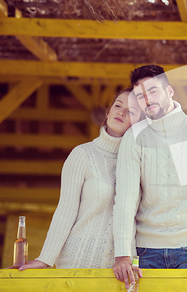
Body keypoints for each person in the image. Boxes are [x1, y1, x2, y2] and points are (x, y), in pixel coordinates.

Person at [112, 65, 187, 291]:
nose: (147, 99)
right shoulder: (134, 137)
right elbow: (126, 199)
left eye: (153, 91)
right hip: (145, 252)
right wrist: (123, 255)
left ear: (169, 91)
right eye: (140, 95)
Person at [13, 88, 141, 270]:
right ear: (109, 111)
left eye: (131, 111)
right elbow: (66, 210)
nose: (121, 112)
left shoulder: (140, 162)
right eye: (118, 105)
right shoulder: (82, 155)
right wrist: (45, 259)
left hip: (121, 269)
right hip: (77, 261)